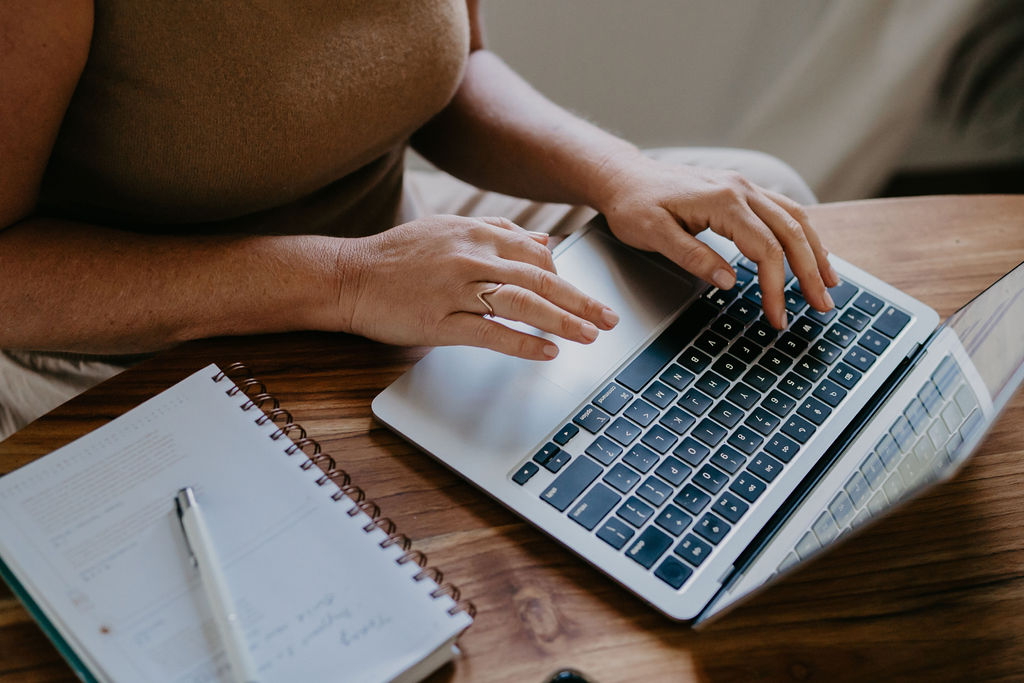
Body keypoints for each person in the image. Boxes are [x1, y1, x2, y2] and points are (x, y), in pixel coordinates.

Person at [0, 0, 838, 440]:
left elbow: (454, 68)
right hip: (122, 343)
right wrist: (345, 279)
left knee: (757, 195)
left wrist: (623, 175)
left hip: (386, 250)